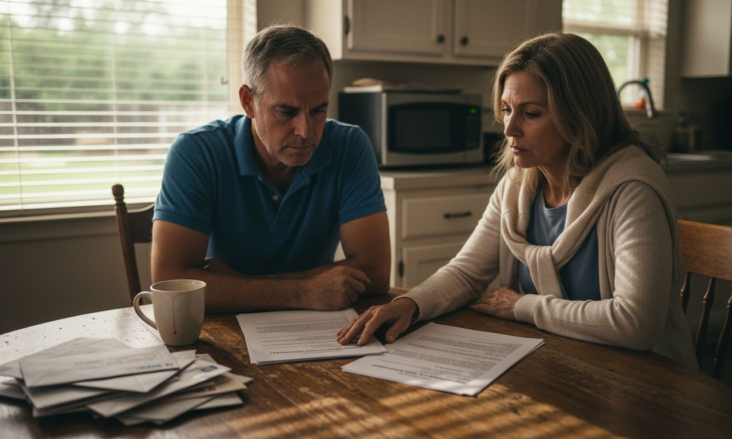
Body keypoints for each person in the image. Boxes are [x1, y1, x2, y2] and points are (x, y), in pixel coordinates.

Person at [337, 33, 698, 368]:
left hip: (646, 379)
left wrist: (523, 306)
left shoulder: (633, 190)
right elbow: (466, 272)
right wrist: (409, 304)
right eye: (507, 109)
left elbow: (636, 324)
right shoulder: (519, 184)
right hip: (561, 362)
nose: (508, 129)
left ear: (580, 114)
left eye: (531, 113)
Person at [151, 25, 390, 312]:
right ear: (248, 102)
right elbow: (171, 281)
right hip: (227, 326)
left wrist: (236, 283)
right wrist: (302, 291)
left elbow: (375, 274)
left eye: (318, 111)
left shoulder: (350, 145)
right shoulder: (196, 151)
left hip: (319, 327)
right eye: (286, 111)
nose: (306, 131)